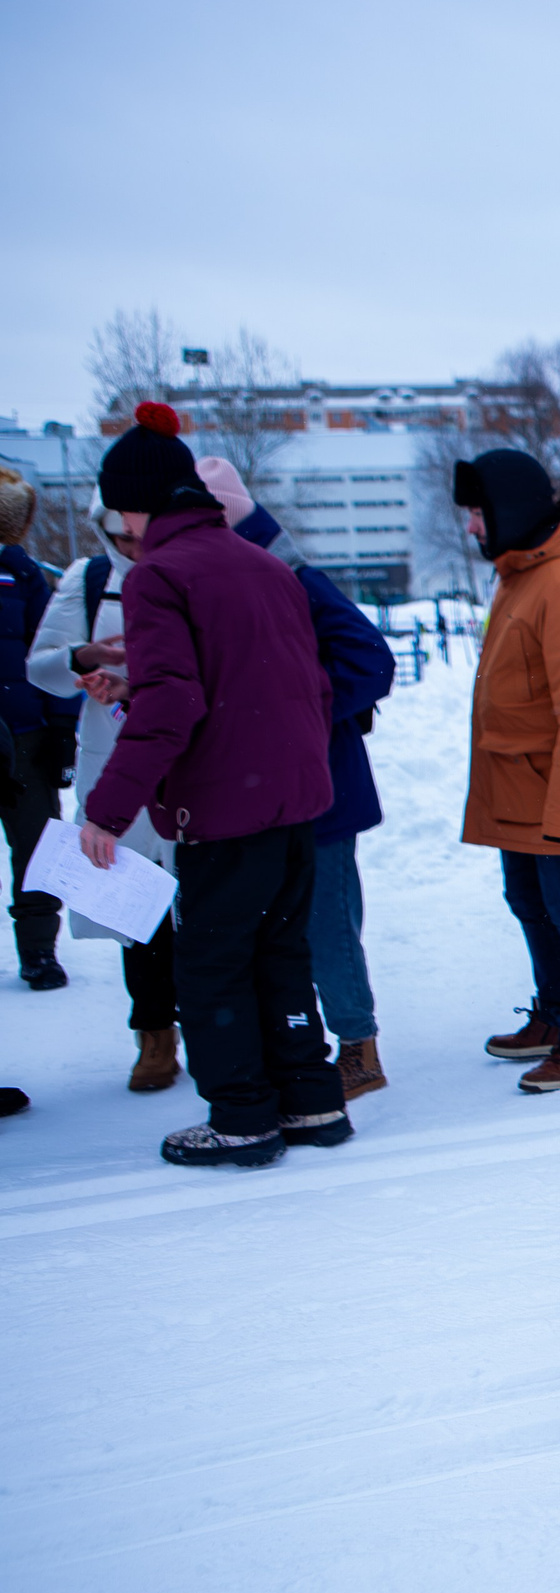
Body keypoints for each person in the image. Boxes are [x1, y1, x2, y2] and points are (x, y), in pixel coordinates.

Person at [76, 404, 345, 1166]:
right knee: (282, 951)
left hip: (225, 809)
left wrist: (106, 809)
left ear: (133, 504)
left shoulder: (158, 573)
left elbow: (176, 702)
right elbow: (281, 683)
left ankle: (241, 1117)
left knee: (213, 962)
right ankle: (310, 1100)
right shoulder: (260, 562)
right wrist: (135, 686)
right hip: (292, 801)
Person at [200, 458, 400, 1101]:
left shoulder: (291, 576)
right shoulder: (237, 573)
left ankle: (358, 1048)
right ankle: (303, 1038)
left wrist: (291, 714)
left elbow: (371, 661)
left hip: (325, 788)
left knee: (328, 923)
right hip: (278, 790)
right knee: (288, 923)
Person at [455, 448, 560, 1095]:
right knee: (530, 903)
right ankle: (553, 1013)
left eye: (477, 512)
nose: (471, 526)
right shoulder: (518, 573)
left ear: (510, 510)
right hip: (520, 790)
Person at [28, 494, 185, 1087]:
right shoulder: (88, 579)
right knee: (133, 906)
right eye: (120, 538)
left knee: (199, 902)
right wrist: (83, 657)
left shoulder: (191, 568)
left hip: (185, 761)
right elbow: (40, 666)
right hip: (114, 761)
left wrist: (137, 680)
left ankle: (212, 1022)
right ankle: (154, 1034)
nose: (132, 549)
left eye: (139, 534)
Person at [1, 465, 78, 991]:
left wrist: (61, 729)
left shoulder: (24, 573)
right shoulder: (25, 570)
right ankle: (38, 951)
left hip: (26, 735)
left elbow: (49, 654)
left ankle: (38, 952)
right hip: (22, 727)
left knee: (37, 843)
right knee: (36, 841)